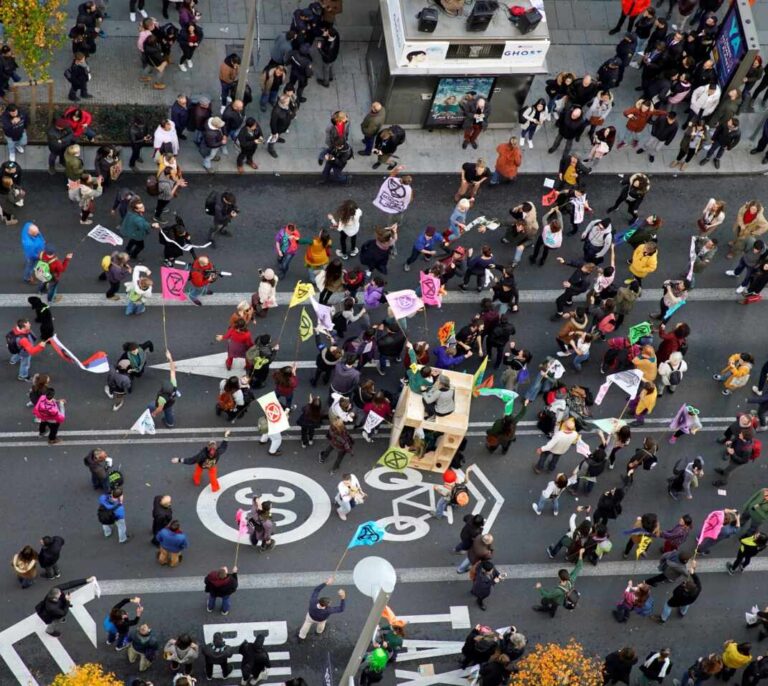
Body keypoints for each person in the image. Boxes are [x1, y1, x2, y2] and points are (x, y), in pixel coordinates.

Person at [533, 548, 584, 617]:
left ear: (560, 577)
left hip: (556, 600)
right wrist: (580, 554)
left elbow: (548, 595)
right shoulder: (571, 579)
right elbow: (578, 567)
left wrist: (539, 588)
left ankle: (545, 609)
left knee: (544, 601)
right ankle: (552, 614)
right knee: (554, 607)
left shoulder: (558, 590)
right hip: (562, 601)